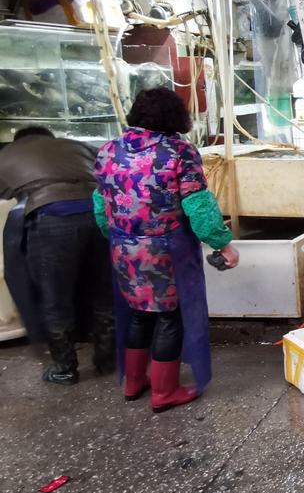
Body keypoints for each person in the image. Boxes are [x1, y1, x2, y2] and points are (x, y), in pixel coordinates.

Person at [93, 88, 239, 412]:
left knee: (138, 312)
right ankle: (164, 391)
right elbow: (198, 205)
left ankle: (133, 383)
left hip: (123, 247)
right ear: (176, 116)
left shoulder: (108, 151)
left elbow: (100, 206)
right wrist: (223, 243)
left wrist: (118, 239)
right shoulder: (178, 151)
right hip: (164, 251)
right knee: (169, 317)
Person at [0, 127, 114, 385]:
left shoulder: (10, 152)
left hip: (53, 217)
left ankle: (64, 367)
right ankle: (107, 358)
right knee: (102, 292)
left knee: (55, 297)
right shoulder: (74, 145)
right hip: (99, 214)